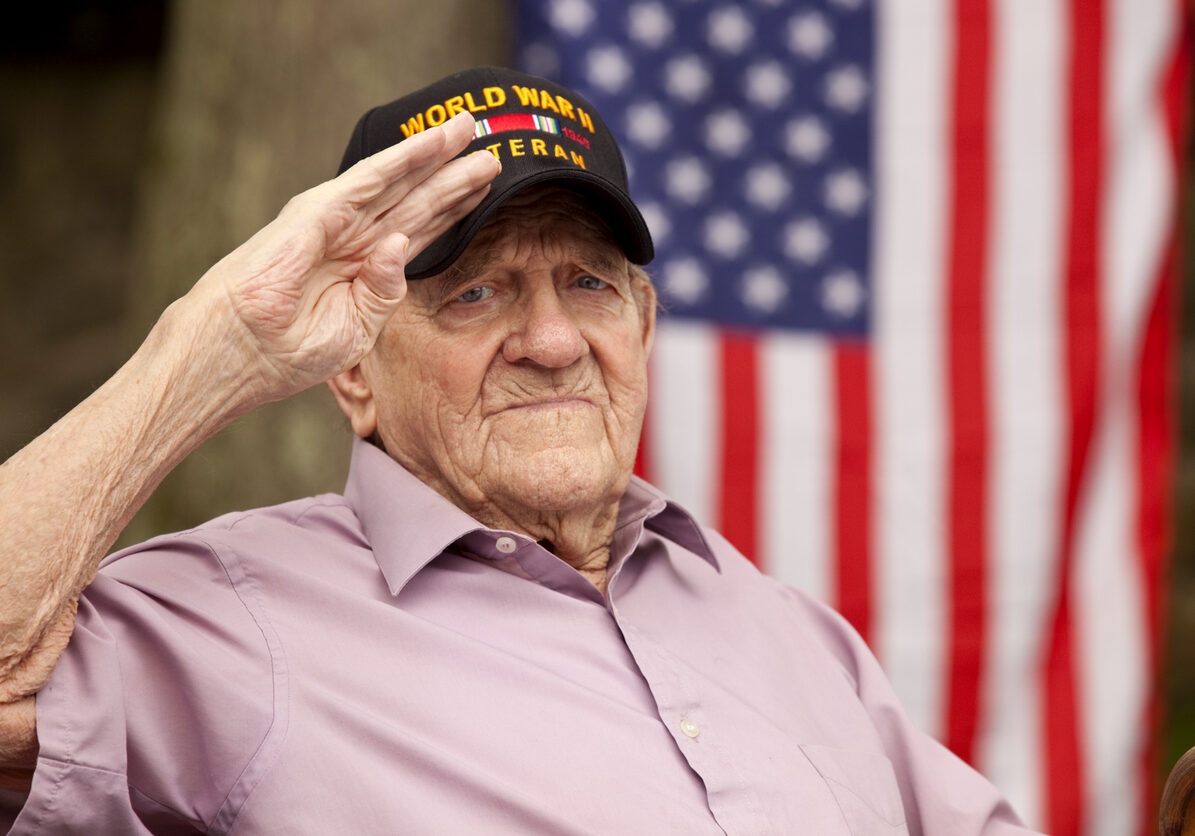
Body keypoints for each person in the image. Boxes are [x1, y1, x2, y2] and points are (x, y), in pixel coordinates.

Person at [0, 66, 1038, 834]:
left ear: (641, 323)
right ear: (352, 367)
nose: (550, 341)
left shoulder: (788, 631)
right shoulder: (234, 618)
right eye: (476, 291)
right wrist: (212, 345)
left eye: (587, 283)